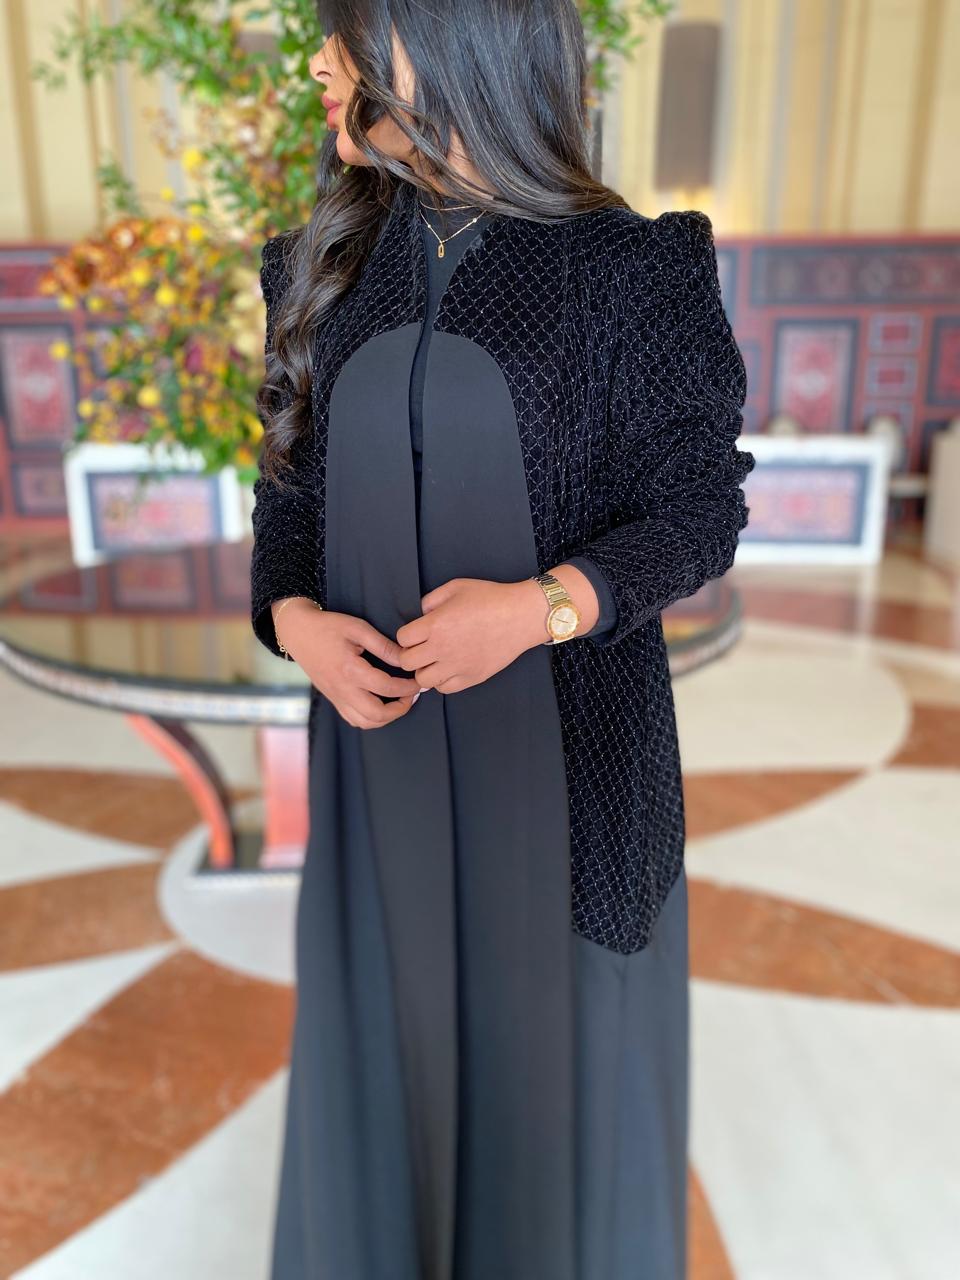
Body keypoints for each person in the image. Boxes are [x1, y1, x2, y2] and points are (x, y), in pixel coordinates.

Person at [250, 2, 755, 1277]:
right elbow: (288, 502)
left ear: (452, 37)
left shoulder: (631, 268)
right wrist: (295, 620)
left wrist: (541, 608)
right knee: (386, 1045)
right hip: (378, 775)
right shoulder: (323, 262)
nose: (320, 61)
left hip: (573, 792)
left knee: (556, 1097)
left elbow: (703, 508)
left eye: (346, 31)